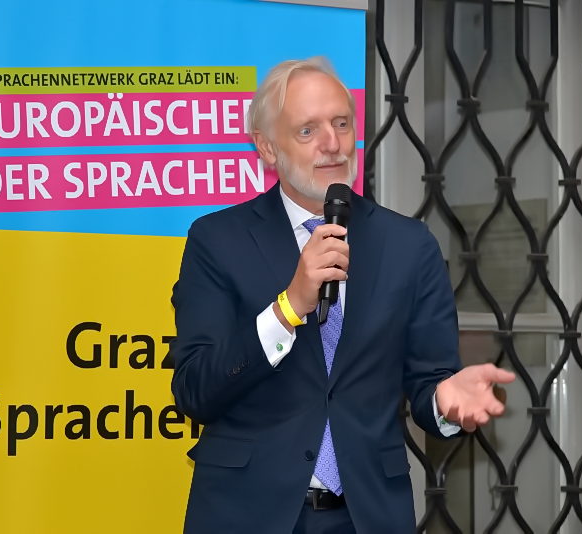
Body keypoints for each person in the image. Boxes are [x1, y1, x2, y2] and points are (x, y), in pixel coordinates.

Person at [170, 57, 515, 534]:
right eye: (307, 130)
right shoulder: (217, 240)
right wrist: (288, 306)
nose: (332, 144)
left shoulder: (409, 246)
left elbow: (428, 381)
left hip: (367, 517)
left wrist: (445, 400)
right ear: (267, 147)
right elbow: (195, 391)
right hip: (245, 513)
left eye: (341, 123)